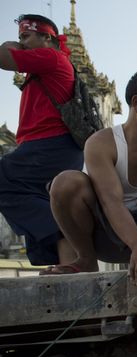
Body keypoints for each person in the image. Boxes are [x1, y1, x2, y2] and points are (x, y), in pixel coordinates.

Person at [47, 69, 137, 285]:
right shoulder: (101, 143)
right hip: (102, 236)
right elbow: (111, 201)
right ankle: (86, 260)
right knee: (65, 183)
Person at [0, 14, 83, 265]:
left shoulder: (51, 57)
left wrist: (11, 46)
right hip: (52, 148)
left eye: (26, 36)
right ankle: (65, 264)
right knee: (38, 201)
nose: (22, 43)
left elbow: (2, 57)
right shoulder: (48, 63)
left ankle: (68, 235)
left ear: (47, 38)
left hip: (50, 145)